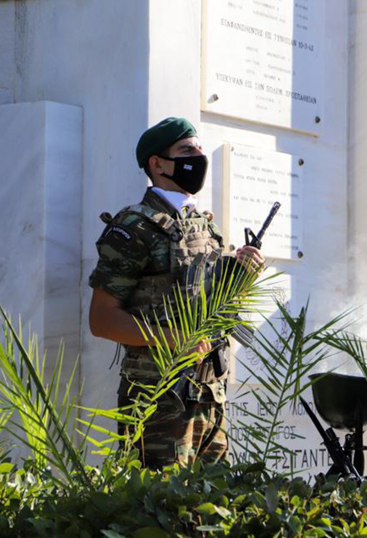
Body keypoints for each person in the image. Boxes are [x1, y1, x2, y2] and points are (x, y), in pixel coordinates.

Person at [88, 117, 264, 468]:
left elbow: (209, 305)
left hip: (210, 394)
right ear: (157, 164)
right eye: (186, 151)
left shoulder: (204, 225)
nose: (198, 157)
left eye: (199, 149)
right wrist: (171, 337)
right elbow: (102, 320)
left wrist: (241, 276)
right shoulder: (134, 227)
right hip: (158, 397)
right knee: (159, 513)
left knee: (211, 509)